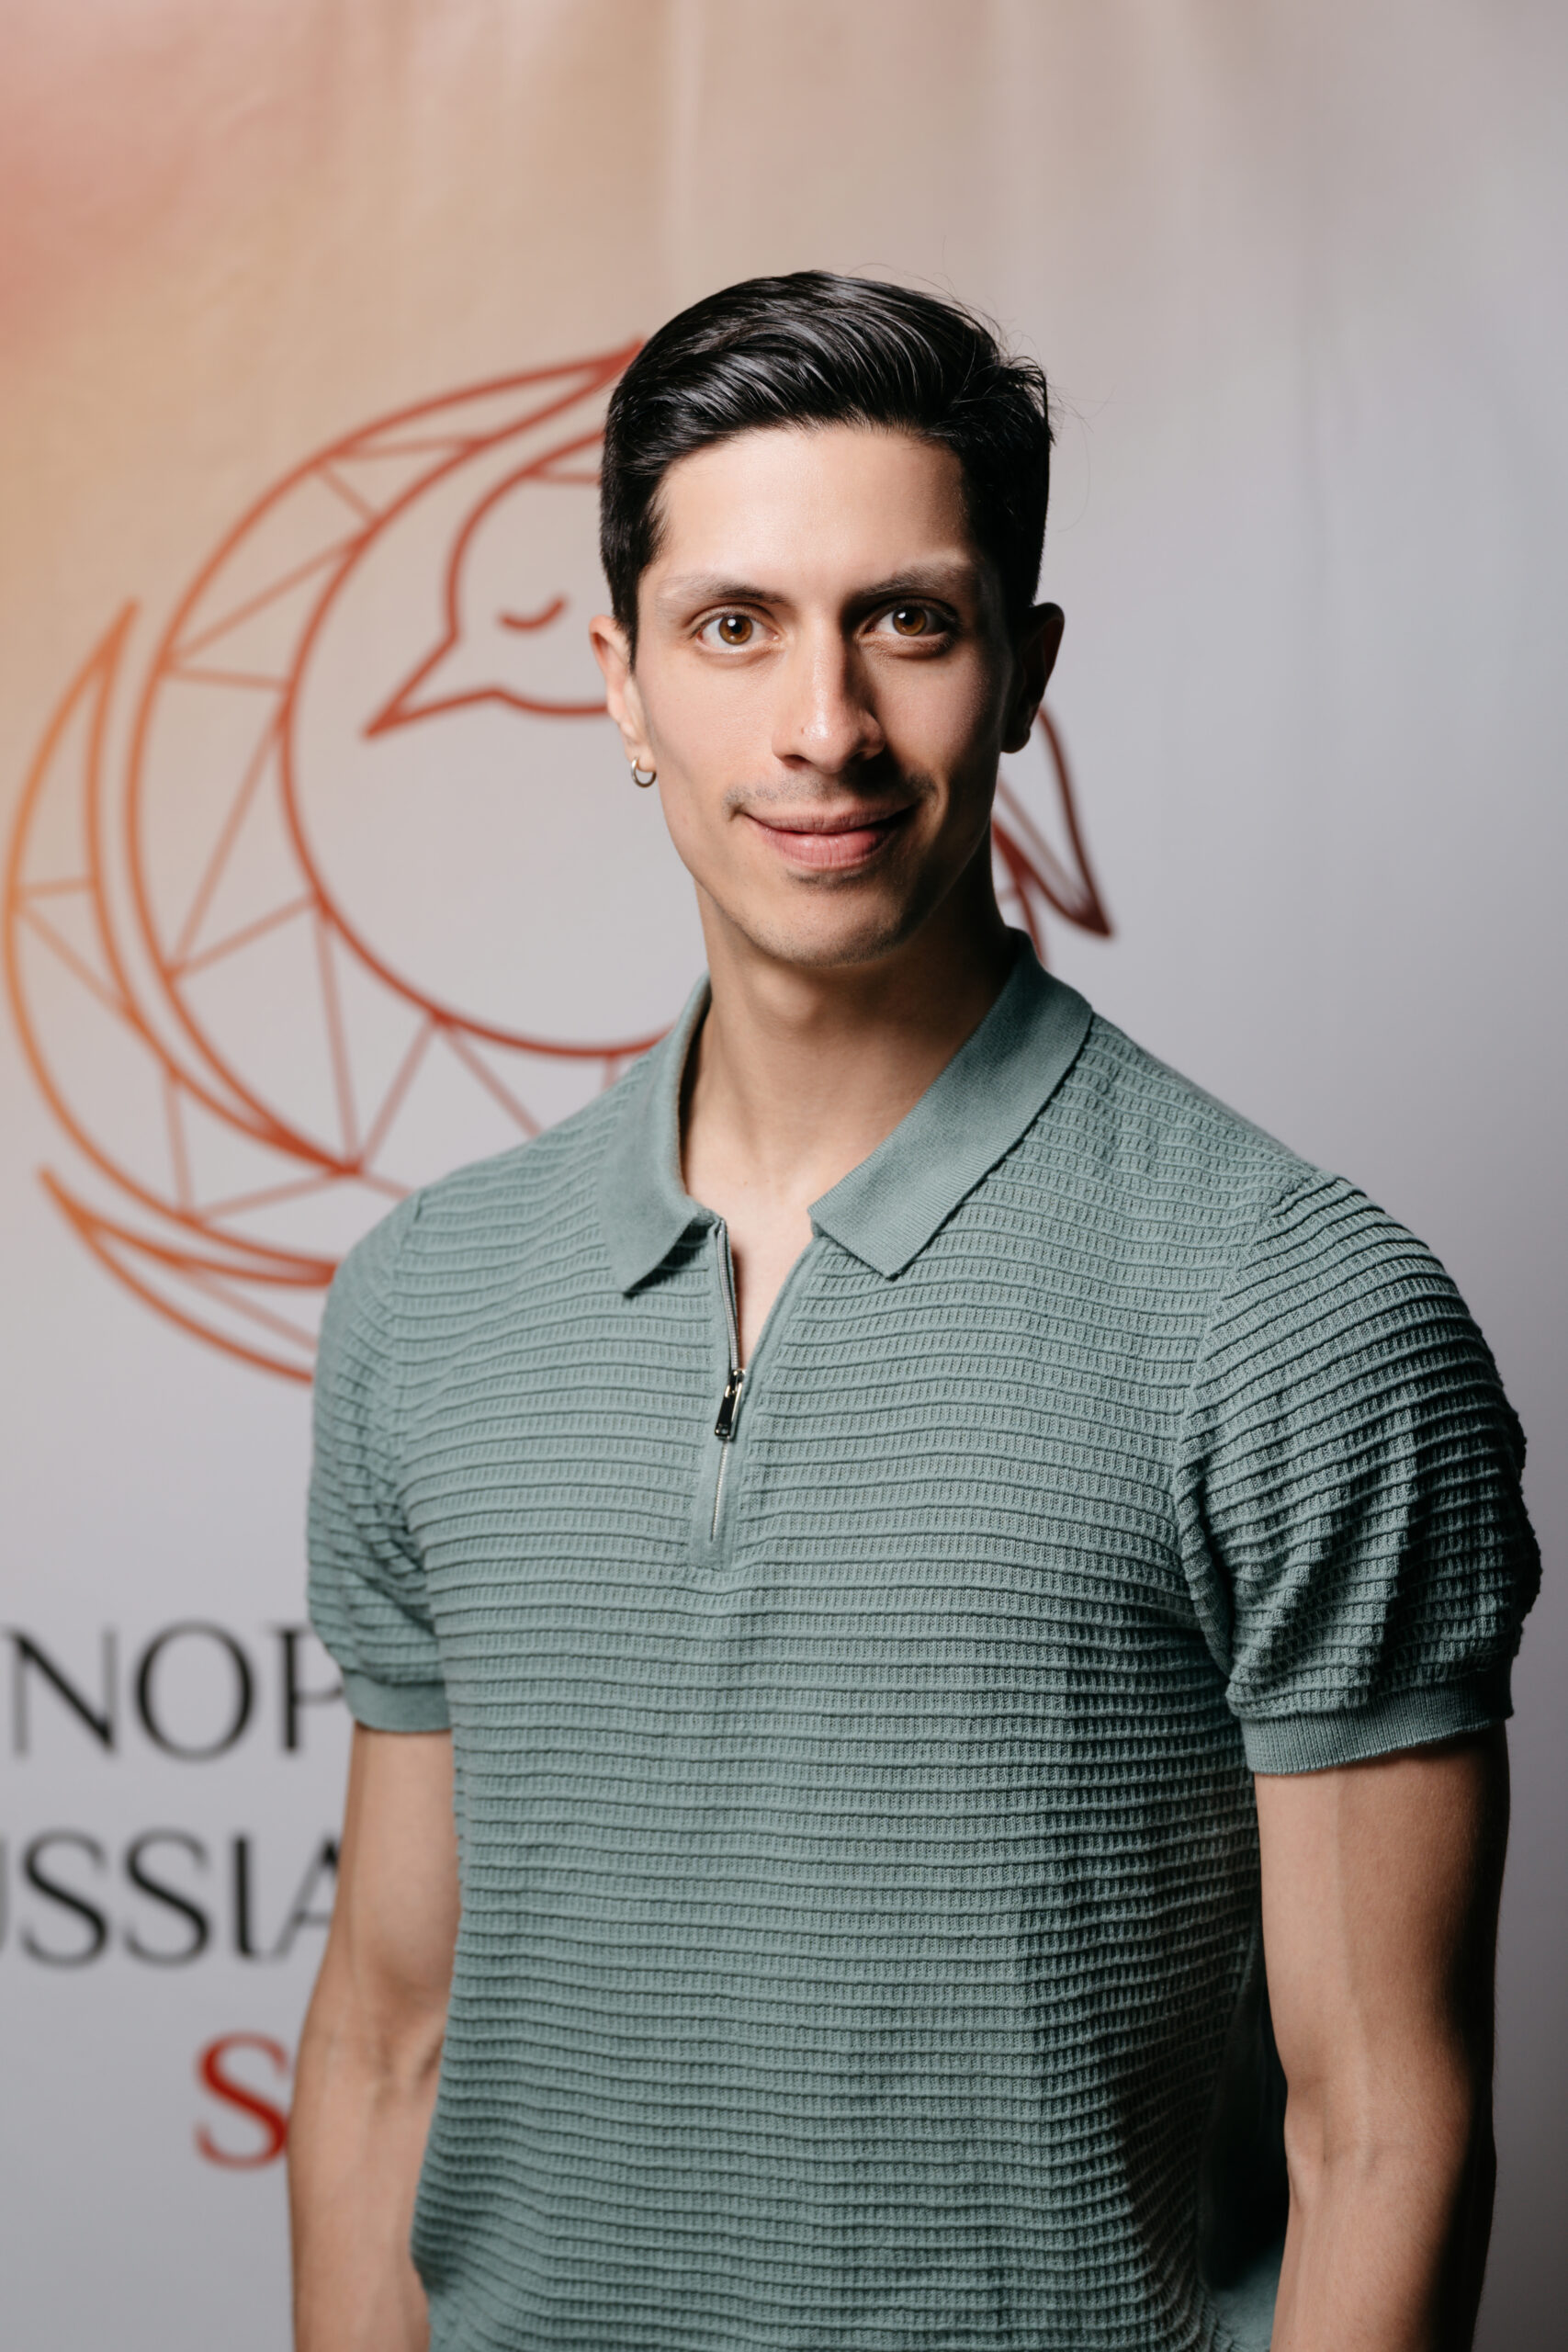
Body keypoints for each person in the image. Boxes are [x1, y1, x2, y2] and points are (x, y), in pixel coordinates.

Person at [289, 273, 1538, 2352]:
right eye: (732, 626)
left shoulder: (1297, 1311)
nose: (824, 728)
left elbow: (1379, 2132)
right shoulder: (428, 1299)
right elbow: (383, 2041)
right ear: (616, 683)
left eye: (907, 621)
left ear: (1022, 670)